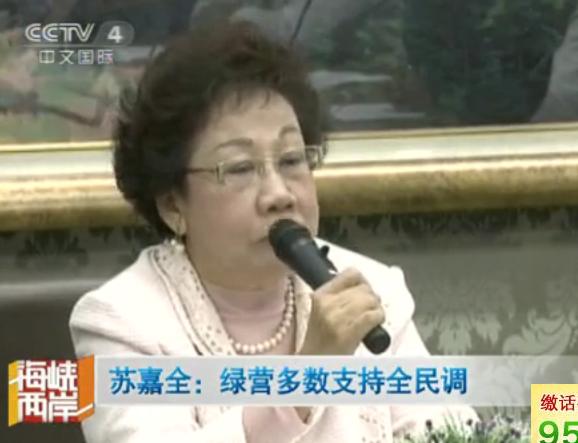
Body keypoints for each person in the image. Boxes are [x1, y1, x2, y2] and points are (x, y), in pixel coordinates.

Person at [69, 20, 477, 443]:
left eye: (291, 160)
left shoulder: (372, 291)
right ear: (173, 204)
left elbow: (451, 432)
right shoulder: (117, 322)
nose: (279, 194)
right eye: (240, 168)